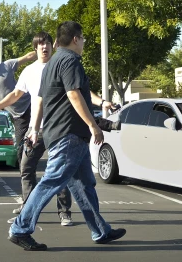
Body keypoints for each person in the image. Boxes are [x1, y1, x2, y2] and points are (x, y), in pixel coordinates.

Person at [8, 21, 126, 251]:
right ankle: (20, 229)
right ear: (75, 39)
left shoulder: (51, 63)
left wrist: (36, 129)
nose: (83, 43)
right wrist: (93, 125)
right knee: (51, 181)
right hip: (68, 135)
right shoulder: (70, 60)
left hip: (62, 134)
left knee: (84, 185)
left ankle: (100, 230)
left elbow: (41, 98)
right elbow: (73, 94)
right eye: (82, 38)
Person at [0, 32, 76, 226]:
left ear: (53, 46)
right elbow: (16, 94)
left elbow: (75, 93)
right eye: (40, 44)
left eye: (47, 44)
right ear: (35, 48)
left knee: (59, 171)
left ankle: (64, 212)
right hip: (35, 129)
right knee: (26, 167)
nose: (44, 47)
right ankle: (28, 208)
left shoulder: (61, 65)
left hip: (58, 129)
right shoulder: (29, 71)